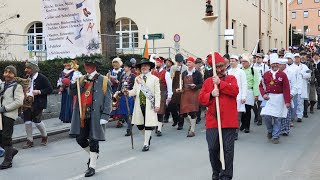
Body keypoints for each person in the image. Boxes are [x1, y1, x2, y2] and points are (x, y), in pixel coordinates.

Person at [199, 52, 239, 180]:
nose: (220, 69)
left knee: (228, 150)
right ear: (213, 68)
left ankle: (226, 175)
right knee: (212, 148)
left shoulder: (231, 79)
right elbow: (202, 100)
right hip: (213, 121)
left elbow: (235, 91)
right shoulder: (207, 82)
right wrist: (211, 94)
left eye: (221, 66)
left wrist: (220, 84)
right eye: (217, 67)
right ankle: (216, 172)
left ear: (225, 66)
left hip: (228, 121)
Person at [69, 58, 112, 177]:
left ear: (94, 66)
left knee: (94, 140)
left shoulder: (104, 80)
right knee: (80, 138)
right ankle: (94, 155)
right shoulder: (81, 79)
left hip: (96, 115)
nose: (86, 66)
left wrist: (105, 115)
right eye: (85, 65)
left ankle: (92, 166)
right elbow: (72, 93)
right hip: (82, 115)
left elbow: (108, 100)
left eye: (89, 64)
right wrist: (73, 82)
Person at [124, 59, 160, 152]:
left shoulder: (154, 79)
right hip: (139, 104)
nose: (143, 67)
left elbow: (157, 93)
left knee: (148, 125)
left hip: (150, 104)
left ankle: (145, 143)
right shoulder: (138, 78)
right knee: (139, 124)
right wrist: (128, 93)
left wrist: (157, 105)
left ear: (149, 67)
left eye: (146, 66)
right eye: (142, 66)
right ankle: (147, 138)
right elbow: (135, 91)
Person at [260, 54, 291, 144]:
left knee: (277, 118)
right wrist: (263, 94)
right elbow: (261, 86)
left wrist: (287, 101)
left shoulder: (283, 75)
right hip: (268, 97)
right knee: (266, 116)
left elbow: (286, 88)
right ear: (270, 64)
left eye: (276, 64)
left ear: (278, 64)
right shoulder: (266, 74)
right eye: (273, 64)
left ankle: (276, 136)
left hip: (279, 98)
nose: (275, 65)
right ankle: (270, 130)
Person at [22, 61, 53, 149]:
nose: (26, 70)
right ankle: (29, 140)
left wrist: (39, 92)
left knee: (37, 121)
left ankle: (44, 136)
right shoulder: (26, 77)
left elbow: (49, 89)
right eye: (26, 68)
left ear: (33, 68)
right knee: (27, 121)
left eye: (28, 68)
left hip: (38, 103)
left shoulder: (42, 78)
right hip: (27, 102)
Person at [0, 66, 24, 169]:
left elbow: (19, 102)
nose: (7, 74)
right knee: (1, 136)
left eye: (10, 73)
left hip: (9, 115)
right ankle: (11, 151)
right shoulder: (2, 85)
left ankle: (8, 162)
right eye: (6, 72)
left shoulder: (17, 87)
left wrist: (5, 108)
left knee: (6, 136)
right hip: (1, 115)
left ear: (14, 75)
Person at [176, 57, 203, 137]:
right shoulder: (184, 73)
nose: (188, 64)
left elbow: (201, 84)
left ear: (194, 63)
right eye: (187, 62)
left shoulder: (197, 73)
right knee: (183, 113)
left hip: (194, 93)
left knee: (192, 112)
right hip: (185, 94)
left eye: (190, 62)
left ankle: (192, 130)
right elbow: (181, 83)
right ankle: (191, 124)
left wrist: (195, 86)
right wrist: (179, 89)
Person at [113, 61, 136, 136]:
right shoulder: (122, 75)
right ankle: (130, 123)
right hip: (122, 96)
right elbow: (120, 85)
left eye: (126, 67)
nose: (124, 68)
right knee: (123, 113)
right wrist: (117, 92)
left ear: (129, 68)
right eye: (124, 67)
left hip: (129, 96)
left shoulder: (133, 76)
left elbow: (135, 87)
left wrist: (130, 92)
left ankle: (129, 129)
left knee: (128, 112)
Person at [227, 55, 247, 140]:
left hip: (239, 97)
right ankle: (230, 132)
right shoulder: (228, 71)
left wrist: (243, 96)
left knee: (237, 116)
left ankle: (235, 133)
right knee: (229, 116)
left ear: (237, 62)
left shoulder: (241, 72)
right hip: (229, 97)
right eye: (230, 61)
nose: (231, 62)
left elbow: (244, 84)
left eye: (233, 61)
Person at [151, 57, 172, 136]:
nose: (157, 64)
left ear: (162, 63)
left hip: (162, 93)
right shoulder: (152, 72)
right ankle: (157, 125)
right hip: (153, 94)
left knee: (160, 112)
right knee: (154, 112)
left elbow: (169, 85)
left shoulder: (166, 73)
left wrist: (169, 96)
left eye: (158, 62)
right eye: (156, 62)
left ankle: (159, 129)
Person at [240, 55, 259, 133]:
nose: (243, 63)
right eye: (242, 62)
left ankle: (247, 126)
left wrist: (256, 94)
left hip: (249, 91)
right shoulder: (240, 70)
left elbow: (255, 83)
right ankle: (243, 123)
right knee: (241, 110)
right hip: (241, 92)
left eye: (245, 62)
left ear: (249, 62)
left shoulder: (253, 70)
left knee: (247, 110)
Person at [278, 58, 297, 136]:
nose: (278, 66)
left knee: (286, 113)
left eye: (279, 65)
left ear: (284, 65)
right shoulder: (276, 72)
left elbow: (295, 85)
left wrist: (291, 94)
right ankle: (278, 129)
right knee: (278, 114)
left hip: (287, 96)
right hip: (278, 96)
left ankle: (285, 130)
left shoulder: (291, 72)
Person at [168, 54, 187, 128]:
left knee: (180, 107)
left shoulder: (185, 68)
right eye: (178, 62)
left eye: (181, 62)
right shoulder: (173, 67)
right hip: (174, 88)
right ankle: (175, 119)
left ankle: (180, 123)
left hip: (182, 88)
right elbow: (171, 78)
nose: (180, 63)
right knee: (171, 105)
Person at [290, 53, 311, 122]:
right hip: (293, 87)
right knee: (293, 103)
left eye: (298, 57)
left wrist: (302, 74)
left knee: (300, 102)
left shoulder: (304, 66)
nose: (297, 59)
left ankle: (299, 116)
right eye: (295, 57)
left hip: (301, 87)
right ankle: (292, 116)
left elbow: (309, 74)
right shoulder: (291, 67)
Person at [252, 53, 270, 125]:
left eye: (259, 57)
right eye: (256, 57)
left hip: (261, 86)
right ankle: (256, 115)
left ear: (262, 58)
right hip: (254, 86)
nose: (258, 58)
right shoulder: (252, 66)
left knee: (260, 103)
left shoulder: (265, 66)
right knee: (252, 103)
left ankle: (259, 119)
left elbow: (268, 76)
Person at [110, 57, 124, 128]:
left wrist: (118, 82)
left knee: (120, 105)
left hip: (119, 90)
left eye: (116, 63)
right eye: (114, 63)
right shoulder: (110, 72)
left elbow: (124, 81)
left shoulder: (122, 71)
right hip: (113, 89)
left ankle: (120, 120)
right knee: (114, 104)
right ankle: (116, 116)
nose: (115, 64)